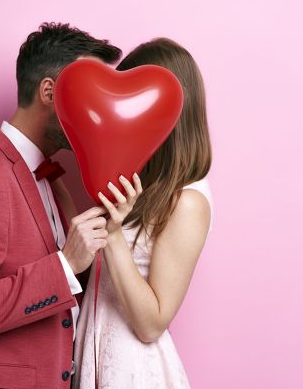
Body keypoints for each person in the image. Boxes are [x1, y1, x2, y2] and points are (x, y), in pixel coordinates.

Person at [0, 22, 121, 389]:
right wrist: (65, 264)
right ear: (50, 92)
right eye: (90, 94)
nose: (98, 112)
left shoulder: (52, 181)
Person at [73, 38, 214, 388]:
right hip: (91, 352)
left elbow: (151, 324)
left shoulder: (188, 202)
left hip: (132, 370)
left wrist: (114, 234)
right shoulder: (137, 185)